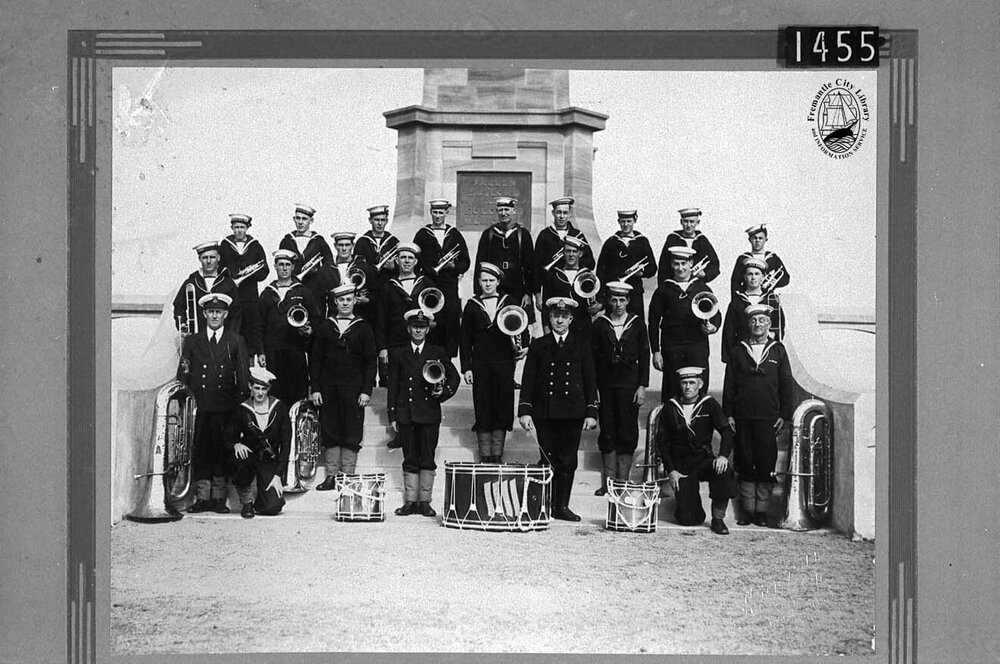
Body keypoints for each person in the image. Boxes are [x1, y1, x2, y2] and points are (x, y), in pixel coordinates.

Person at [518, 297, 599, 521]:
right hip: (545, 412)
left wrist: (591, 412)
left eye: (564, 317)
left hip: (572, 413)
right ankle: (544, 506)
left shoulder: (581, 344)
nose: (560, 321)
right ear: (550, 318)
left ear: (571, 319)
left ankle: (561, 506)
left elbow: (590, 380)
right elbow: (528, 380)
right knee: (548, 459)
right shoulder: (539, 345)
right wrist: (525, 411)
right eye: (556, 316)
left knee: (568, 460)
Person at [176, 293, 250, 514]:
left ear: (226, 314)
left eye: (219, 312)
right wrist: (184, 403)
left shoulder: (235, 340)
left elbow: (243, 377)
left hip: (225, 407)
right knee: (201, 451)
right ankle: (202, 498)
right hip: (200, 406)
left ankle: (218, 498)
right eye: (211, 312)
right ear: (204, 313)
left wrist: (240, 410)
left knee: (221, 451)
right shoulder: (193, 341)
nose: (215, 315)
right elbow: (184, 373)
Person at [722, 304, 794, 528]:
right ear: (748, 324)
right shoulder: (738, 351)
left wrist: (784, 414)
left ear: (769, 323)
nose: (758, 324)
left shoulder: (778, 350)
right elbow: (729, 385)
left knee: (765, 462)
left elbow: (786, 384)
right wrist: (729, 414)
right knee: (744, 461)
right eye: (753, 320)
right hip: (743, 416)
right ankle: (747, 510)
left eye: (762, 320)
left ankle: (761, 512)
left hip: (768, 417)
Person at [386, 309, 460, 517]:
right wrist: (392, 415)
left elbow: (454, 377)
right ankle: (410, 501)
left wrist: (442, 393)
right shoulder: (399, 353)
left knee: (427, 457)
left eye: (422, 327)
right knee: (410, 457)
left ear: (428, 329)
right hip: (406, 413)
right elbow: (393, 385)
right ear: (408, 329)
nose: (418, 330)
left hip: (429, 413)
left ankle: (425, 501)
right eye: (415, 327)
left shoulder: (437, 352)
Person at [459, 262, 529, 463]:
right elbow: (465, 339)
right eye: (484, 281)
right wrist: (466, 368)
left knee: (502, 404)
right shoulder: (472, 305)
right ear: (479, 282)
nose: (488, 284)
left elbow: (522, 326)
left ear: (498, 282)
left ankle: (497, 454)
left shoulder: (509, 301)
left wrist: (524, 346)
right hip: (480, 363)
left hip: (504, 362)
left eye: (491, 280)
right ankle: (485, 454)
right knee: (483, 405)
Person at [310, 283, 377, 490]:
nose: (345, 303)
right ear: (335, 302)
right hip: (329, 387)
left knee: (351, 430)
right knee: (330, 429)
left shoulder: (363, 327)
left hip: (354, 388)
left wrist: (366, 390)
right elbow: (316, 359)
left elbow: (370, 361)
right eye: (341, 300)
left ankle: (347, 476)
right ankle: (331, 476)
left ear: (355, 301)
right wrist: (316, 388)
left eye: (349, 299)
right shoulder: (325, 327)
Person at [655, 367, 737, 535]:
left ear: (700, 384)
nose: (688, 387)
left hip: (703, 460)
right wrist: (671, 470)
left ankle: (718, 519)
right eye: (684, 382)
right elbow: (662, 442)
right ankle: (690, 506)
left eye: (692, 383)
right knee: (689, 519)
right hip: (682, 466)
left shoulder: (709, 404)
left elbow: (726, 431)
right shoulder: (670, 407)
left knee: (723, 470)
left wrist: (723, 456)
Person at [374, 242, 438, 448]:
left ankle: (417, 429)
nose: (407, 261)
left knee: (418, 384)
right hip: (395, 343)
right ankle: (401, 431)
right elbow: (380, 319)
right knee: (397, 385)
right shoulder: (388, 286)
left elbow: (436, 313)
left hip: (419, 342)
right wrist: (382, 348)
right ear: (397, 260)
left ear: (416, 261)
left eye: (410, 258)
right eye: (403, 257)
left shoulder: (426, 283)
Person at [590, 282, 650, 494]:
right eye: (614, 300)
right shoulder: (599, 324)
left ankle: (622, 481)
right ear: (608, 300)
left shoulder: (638, 324)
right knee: (607, 429)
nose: (618, 304)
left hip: (629, 385)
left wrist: (642, 386)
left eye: (622, 300)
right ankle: (608, 482)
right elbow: (592, 358)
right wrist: (594, 388)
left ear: (628, 301)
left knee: (627, 430)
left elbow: (645, 355)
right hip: (606, 385)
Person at [648, 245, 721, 400]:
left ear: (691, 263)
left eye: (684, 263)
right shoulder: (663, 290)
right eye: (676, 264)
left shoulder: (702, 287)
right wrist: (656, 351)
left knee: (699, 387)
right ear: (671, 264)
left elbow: (716, 313)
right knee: (672, 389)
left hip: (697, 346)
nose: (680, 268)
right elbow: (653, 322)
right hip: (672, 347)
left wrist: (713, 327)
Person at [252, 249, 319, 407]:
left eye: (287, 265)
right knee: (275, 394)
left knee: (298, 394)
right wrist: (260, 352)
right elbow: (259, 325)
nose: (284, 268)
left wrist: (310, 331)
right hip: (273, 352)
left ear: (293, 267)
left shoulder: (303, 292)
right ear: (275, 266)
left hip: (295, 350)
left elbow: (316, 319)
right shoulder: (267, 293)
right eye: (280, 264)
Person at [228, 366, 291, 518]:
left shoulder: (279, 408)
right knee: (239, 458)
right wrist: (236, 444)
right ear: (250, 386)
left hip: (268, 459)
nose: (260, 393)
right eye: (257, 388)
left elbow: (286, 444)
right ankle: (247, 502)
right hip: (249, 456)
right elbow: (229, 434)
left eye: (264, 389)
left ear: (269, 389)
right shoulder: (243, 408)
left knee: (272, 507)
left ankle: (261, 501)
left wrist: (278, 475)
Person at [413, 199, 471, 359]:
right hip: (429, 286)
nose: (438, 216)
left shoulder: (454, 234)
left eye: (441, 212)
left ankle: (447, 360)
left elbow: (465, 261)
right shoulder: (422, 234)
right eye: (435, 212)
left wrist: (453, 266)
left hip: (449, 287)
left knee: (450, 323)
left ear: (447, 213)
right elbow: (416, 259)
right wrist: (429, 270)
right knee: (431, 322)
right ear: (430, 212)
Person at [473, 197, 535, 320]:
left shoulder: (523, 234)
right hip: (495, 287)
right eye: (500, 210)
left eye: (507, 209)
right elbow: (479, 264)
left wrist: (528, 293)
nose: (503, 213)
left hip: (516, 286)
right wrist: (478, 292)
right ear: (496, 211)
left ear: (514, 211)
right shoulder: (488, 234)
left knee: (516, 320)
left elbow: (530, 267)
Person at [533, 197, 595, 312]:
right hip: (551, 287)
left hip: (574, 286)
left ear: (569, 214)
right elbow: (536, 267)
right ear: (553, 213)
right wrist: (537, 295)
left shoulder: (577, 235)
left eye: (565, 213)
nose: (562, 216)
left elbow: (590, 262)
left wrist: (572, 264)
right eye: (559, 212)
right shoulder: (544, 235)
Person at [721, 256, 785, 364]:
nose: (753, 277)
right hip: (742, 352)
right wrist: (730, 358)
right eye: (750, 274)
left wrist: (774, 340)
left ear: (763, 276)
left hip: (766, 351)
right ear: (744, 277)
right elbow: (729, 331)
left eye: (757, 274)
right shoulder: (737, 301)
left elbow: (780, 325)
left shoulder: (772, 299)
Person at [172, 241, 242, 338]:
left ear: (218, 258)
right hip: (196, 338)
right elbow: (179, 306)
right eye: (205, 257)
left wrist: (231, 336)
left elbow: (236, 313)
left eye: (212, 257)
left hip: (222, 339)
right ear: (199, 259)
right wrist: (182, 325)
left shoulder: (228, 283)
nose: (209, 261)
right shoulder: (191, 282)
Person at [596, 210, 657, 318]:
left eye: (629, 221)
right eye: (623, 221)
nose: (625, 224)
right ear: (618, 221)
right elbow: (601, 271)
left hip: (635, 293)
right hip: (614, 293)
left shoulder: (642, 242)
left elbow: (653, 268)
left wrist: (642, 273)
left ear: (635, 221)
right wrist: (600, 297)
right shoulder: (610, 242)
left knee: (635, 323)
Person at [218, 213, 269, 343]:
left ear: (247, 228)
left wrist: (249, 274)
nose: (239, 230)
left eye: (242, 227)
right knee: (230, 328)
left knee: (249, 329)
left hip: (250, 296)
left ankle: (249, 354)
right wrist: (229, 279)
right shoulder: (225, 245)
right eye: (236, 227)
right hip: (230, 294)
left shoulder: (255, 245)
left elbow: (264, 270)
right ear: (232, 228)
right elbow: (219, 268)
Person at [539, 235, 602, 336]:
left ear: (580, 254)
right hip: (559, 328)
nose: (571, 255)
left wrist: (598, 305)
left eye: (574, 251)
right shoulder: (553, 275)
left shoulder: (587, 275)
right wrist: (546, 328)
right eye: (568, 251)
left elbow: (598, 298)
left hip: (583, 327)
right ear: (563, 253)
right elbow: (546, 305)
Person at [278, 203, 333, 307]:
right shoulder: (286, 241)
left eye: (304, 219)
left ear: (311, 221)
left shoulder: (319, 241)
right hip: (293, 290)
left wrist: (317, 271)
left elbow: (329, 265)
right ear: (294, 219)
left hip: (315, 291)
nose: (300, 222)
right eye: (298, 218)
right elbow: (281, 264)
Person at [316, 231, 375, 321]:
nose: (344, 248)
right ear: (335, 246)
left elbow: (376, 293)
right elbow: (320, 299)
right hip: (334, 318)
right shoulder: (326, 269)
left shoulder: (363, 267)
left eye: (347, 245)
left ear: (353, 245)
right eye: (340, 245)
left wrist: (367, 300)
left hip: (359, 317)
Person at [658, 208, 720, 285]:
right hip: (675, 285)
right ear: (681, 222)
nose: (688, 225)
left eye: (692, 222)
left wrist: (705, 274)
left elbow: (715, 264)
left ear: (698, 222)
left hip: (696, 285)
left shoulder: (702, 240)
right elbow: (663, 266)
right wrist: (664, 287)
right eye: (685, 221)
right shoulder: (673, 239)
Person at [353, 204, 400, 306]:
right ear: (370, 220)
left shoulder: (393, 241)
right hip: (368, 290)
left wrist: (394, 267)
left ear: (386, 221)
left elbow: (402, 267)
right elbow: (357, 267)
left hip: (388, 291)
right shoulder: (362, 242)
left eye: (383, 220)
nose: (380, 223)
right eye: (376, 220)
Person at [729, 223, 790, 296]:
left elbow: (786, 278)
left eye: (760, 238)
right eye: (754, 238)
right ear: (749, 240)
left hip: (767, 297)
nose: (757, 240)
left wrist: (771, 283)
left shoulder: (773, 258)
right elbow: (735, 282)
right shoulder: (743, 259)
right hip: (747, 297)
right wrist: (737, 298)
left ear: (766, 239)